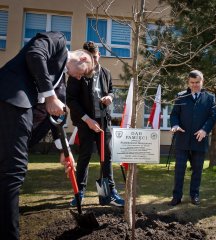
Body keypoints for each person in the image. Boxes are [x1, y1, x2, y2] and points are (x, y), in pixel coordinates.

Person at [0, 31, 95, 240]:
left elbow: (57, 120)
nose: (79, 77)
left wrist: (64, 151)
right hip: (10, 99)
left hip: (13, 117)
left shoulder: (60, 84)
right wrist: (49, 96)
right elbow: (34, 54)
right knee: (13, 172)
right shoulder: (58, 41)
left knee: (7, 171)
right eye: (83, 73)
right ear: (83, 58)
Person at [66, 41, 124, 207]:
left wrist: (110, 98)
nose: (94, 61)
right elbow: (71, 99)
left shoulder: (106, 72)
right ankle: (79, 193)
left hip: (103, 122)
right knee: (84, 156)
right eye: (91, 58)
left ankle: (109, 191)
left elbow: (111, 90)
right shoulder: (78, 73)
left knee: (107, 157)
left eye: (96, 57)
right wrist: (87, 120)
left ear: (99, 55)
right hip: (86, 122)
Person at [169, 70, 216, 206]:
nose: (195, 85)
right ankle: (176, 196)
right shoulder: (180, 96)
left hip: (199, 139)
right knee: (179, 170)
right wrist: (175, 125)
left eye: (197, 82)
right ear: (188, 83)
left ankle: (194, 195)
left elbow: (212, 116)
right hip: (182, 139)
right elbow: (174, 115)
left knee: (197, 170)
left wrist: (205, 130)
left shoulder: (210, 97)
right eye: (192, 83)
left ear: (202, 81)